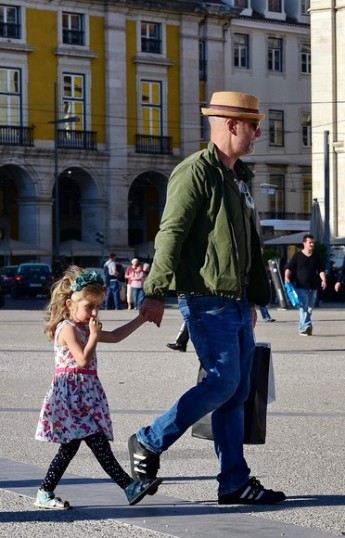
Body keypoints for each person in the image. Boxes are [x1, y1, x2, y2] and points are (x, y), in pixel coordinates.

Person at [131, 91, 285, 505]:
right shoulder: (194, 172)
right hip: (206, 299)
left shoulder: (238, 178)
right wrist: (155, 291)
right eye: (253, 126)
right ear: (231, 125)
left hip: (236, 300)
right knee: (222, 383)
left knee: (236, 393)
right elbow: (171, 233)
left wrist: (252, 298)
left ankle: (234, 482)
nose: (258, 133)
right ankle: (149, 440)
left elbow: (246, 244)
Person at [34, 267, 162, 509]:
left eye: (98, 307)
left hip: (85, 394)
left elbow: (115, 336)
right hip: (71, 395)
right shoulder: (68, 328)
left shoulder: (84, 327)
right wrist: (93, 336)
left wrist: (141, 319)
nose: (94, 313)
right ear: (70, 304)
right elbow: (82, 360)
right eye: (89, 307)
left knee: (70, 448)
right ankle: (129, 486)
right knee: (97, 441)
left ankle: (45, 492)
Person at [285, 233, 327, 335]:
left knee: (309, 308)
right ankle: (307, 325)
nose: (312, 244)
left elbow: (321, 270)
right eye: (310, 242)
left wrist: (324, 280)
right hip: (300, 286)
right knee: (304, 307)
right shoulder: (297, 255)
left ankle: (303, 328)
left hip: (313, 286)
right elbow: (289, 268)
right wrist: (286, 277)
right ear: (304, 243)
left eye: (313, 242)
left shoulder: (316, 255)